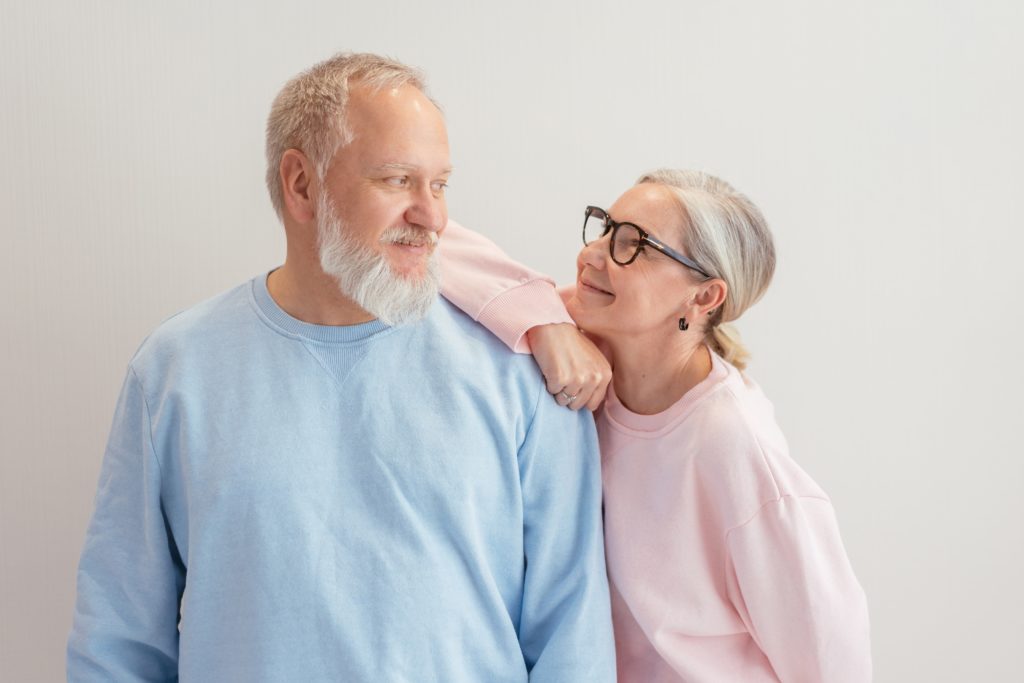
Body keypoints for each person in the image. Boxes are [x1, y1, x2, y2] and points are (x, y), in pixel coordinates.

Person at [67, 53, 615, 682]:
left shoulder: (521, 368)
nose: (432, 215)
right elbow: (118, 640)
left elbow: (573, 636)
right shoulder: (174, 372)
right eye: (396, 180)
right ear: (301, 184)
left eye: (439, 184)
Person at [442, 169, 873, 681]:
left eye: (635, 245)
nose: (593, 254)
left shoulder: (734, 450)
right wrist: (543, 324)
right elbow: (429, 240)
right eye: (605, 227)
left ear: (704, 297)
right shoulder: (582, 344)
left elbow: (833, 663)